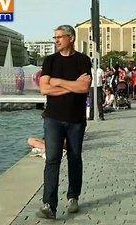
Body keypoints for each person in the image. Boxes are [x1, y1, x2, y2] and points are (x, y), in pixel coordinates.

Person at [37, 25, 91, 219]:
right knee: (52, 159)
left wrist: (57, 82)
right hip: (53, 118)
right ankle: (49, 205)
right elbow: (44, 89)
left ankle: (73, 197)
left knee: (75, 158)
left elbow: (84, 87)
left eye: (60, 37)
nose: (57, 40)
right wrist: (71, 85)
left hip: (76, 119)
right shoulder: (50, 60)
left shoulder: (83, 60)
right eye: (55, 37)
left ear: (71, 38)